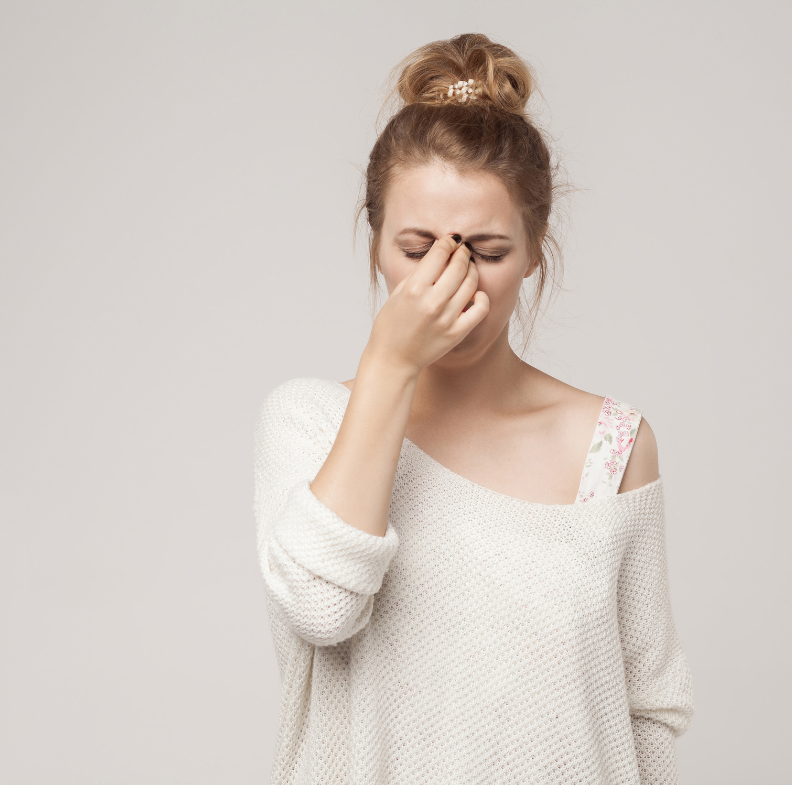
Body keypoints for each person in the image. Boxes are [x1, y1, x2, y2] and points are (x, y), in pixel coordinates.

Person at [253, 32, 694, 784]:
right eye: (416, 249)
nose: (451, 279)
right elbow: (322, 609)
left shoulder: (612, 446)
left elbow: (646, 710)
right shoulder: (309, 423)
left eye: (487, 252)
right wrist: (391, 363)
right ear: (375, 244)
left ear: (534, 248)